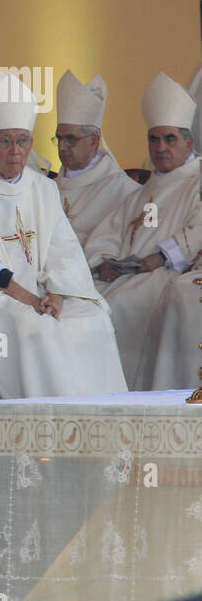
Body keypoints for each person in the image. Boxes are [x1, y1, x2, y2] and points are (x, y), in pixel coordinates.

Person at [0, 65, 127, 398]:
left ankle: (97, 425)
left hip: (43, 291)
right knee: (36, 328)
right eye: (5, 141)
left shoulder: (42, 188)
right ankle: (46, 428)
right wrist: (30, 298)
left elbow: (63, 249)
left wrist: (58, 295)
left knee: (92, 318)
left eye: (22, 141)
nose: (15, 151)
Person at [84, 72, 202, 390]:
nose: (160, 147)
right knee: (81, 307)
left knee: (110, 311)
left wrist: (156, 258)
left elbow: (198, 231)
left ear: (189, 141)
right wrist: (104, 260)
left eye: (170, 139)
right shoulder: (142, 190)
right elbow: (109, 232)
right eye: (154, 139)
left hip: (166, 274)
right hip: (128, 275)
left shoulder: (197, 180)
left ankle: (122, 396)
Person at [53, 70, 140, 245]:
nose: (62, 147)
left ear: (94, 141)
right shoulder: (49, 186)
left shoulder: (123, 190)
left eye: (70, 139)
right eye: (59, 138)